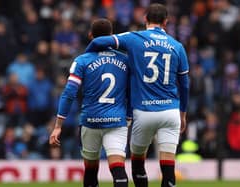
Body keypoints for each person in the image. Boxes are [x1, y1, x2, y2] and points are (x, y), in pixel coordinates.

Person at [86, 3, 190, 187]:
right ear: (166, 21)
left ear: (145, 19)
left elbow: (98, 42)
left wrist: (87, 59)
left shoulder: (134, 38)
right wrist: (182, 113)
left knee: (137, 162)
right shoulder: (177, 46)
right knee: (168, 167)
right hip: (171, 111)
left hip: (144, 111)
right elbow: (185, 85)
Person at [49, 18, 129, 187]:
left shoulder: (82, 60)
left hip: (91, 121)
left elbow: (69, 93)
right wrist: (129, 115)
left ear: (90, 35)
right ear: (111, 36)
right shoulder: (125, 60)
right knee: (118, 169)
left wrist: (58, 126)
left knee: (91, 171)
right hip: (116, 120)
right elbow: (133, 91)